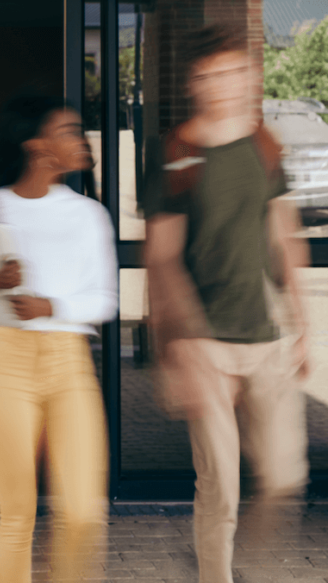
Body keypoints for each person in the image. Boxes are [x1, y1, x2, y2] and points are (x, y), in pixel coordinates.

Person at [142, 24, 309, 583]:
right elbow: (162, 257)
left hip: (265, 337)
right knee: (221, 489)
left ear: (250, 77)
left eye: (233, 74)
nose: (222, 86)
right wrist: (180, 346)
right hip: (204, 344)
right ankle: (217, 573)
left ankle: (235, 563)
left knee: (286, 478)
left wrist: (304, 323)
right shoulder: (176, 152)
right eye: (209, 77)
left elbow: (285, 234)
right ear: (194, 82)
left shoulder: (264, 145)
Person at [0, 93, 118, 583]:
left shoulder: (89, 215)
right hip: (3, 362)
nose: (80, 140)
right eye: (67, 131)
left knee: (84, 512)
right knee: (18, 510)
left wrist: (52, 307)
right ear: (37, 145)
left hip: (69, 364)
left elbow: (105, 298)